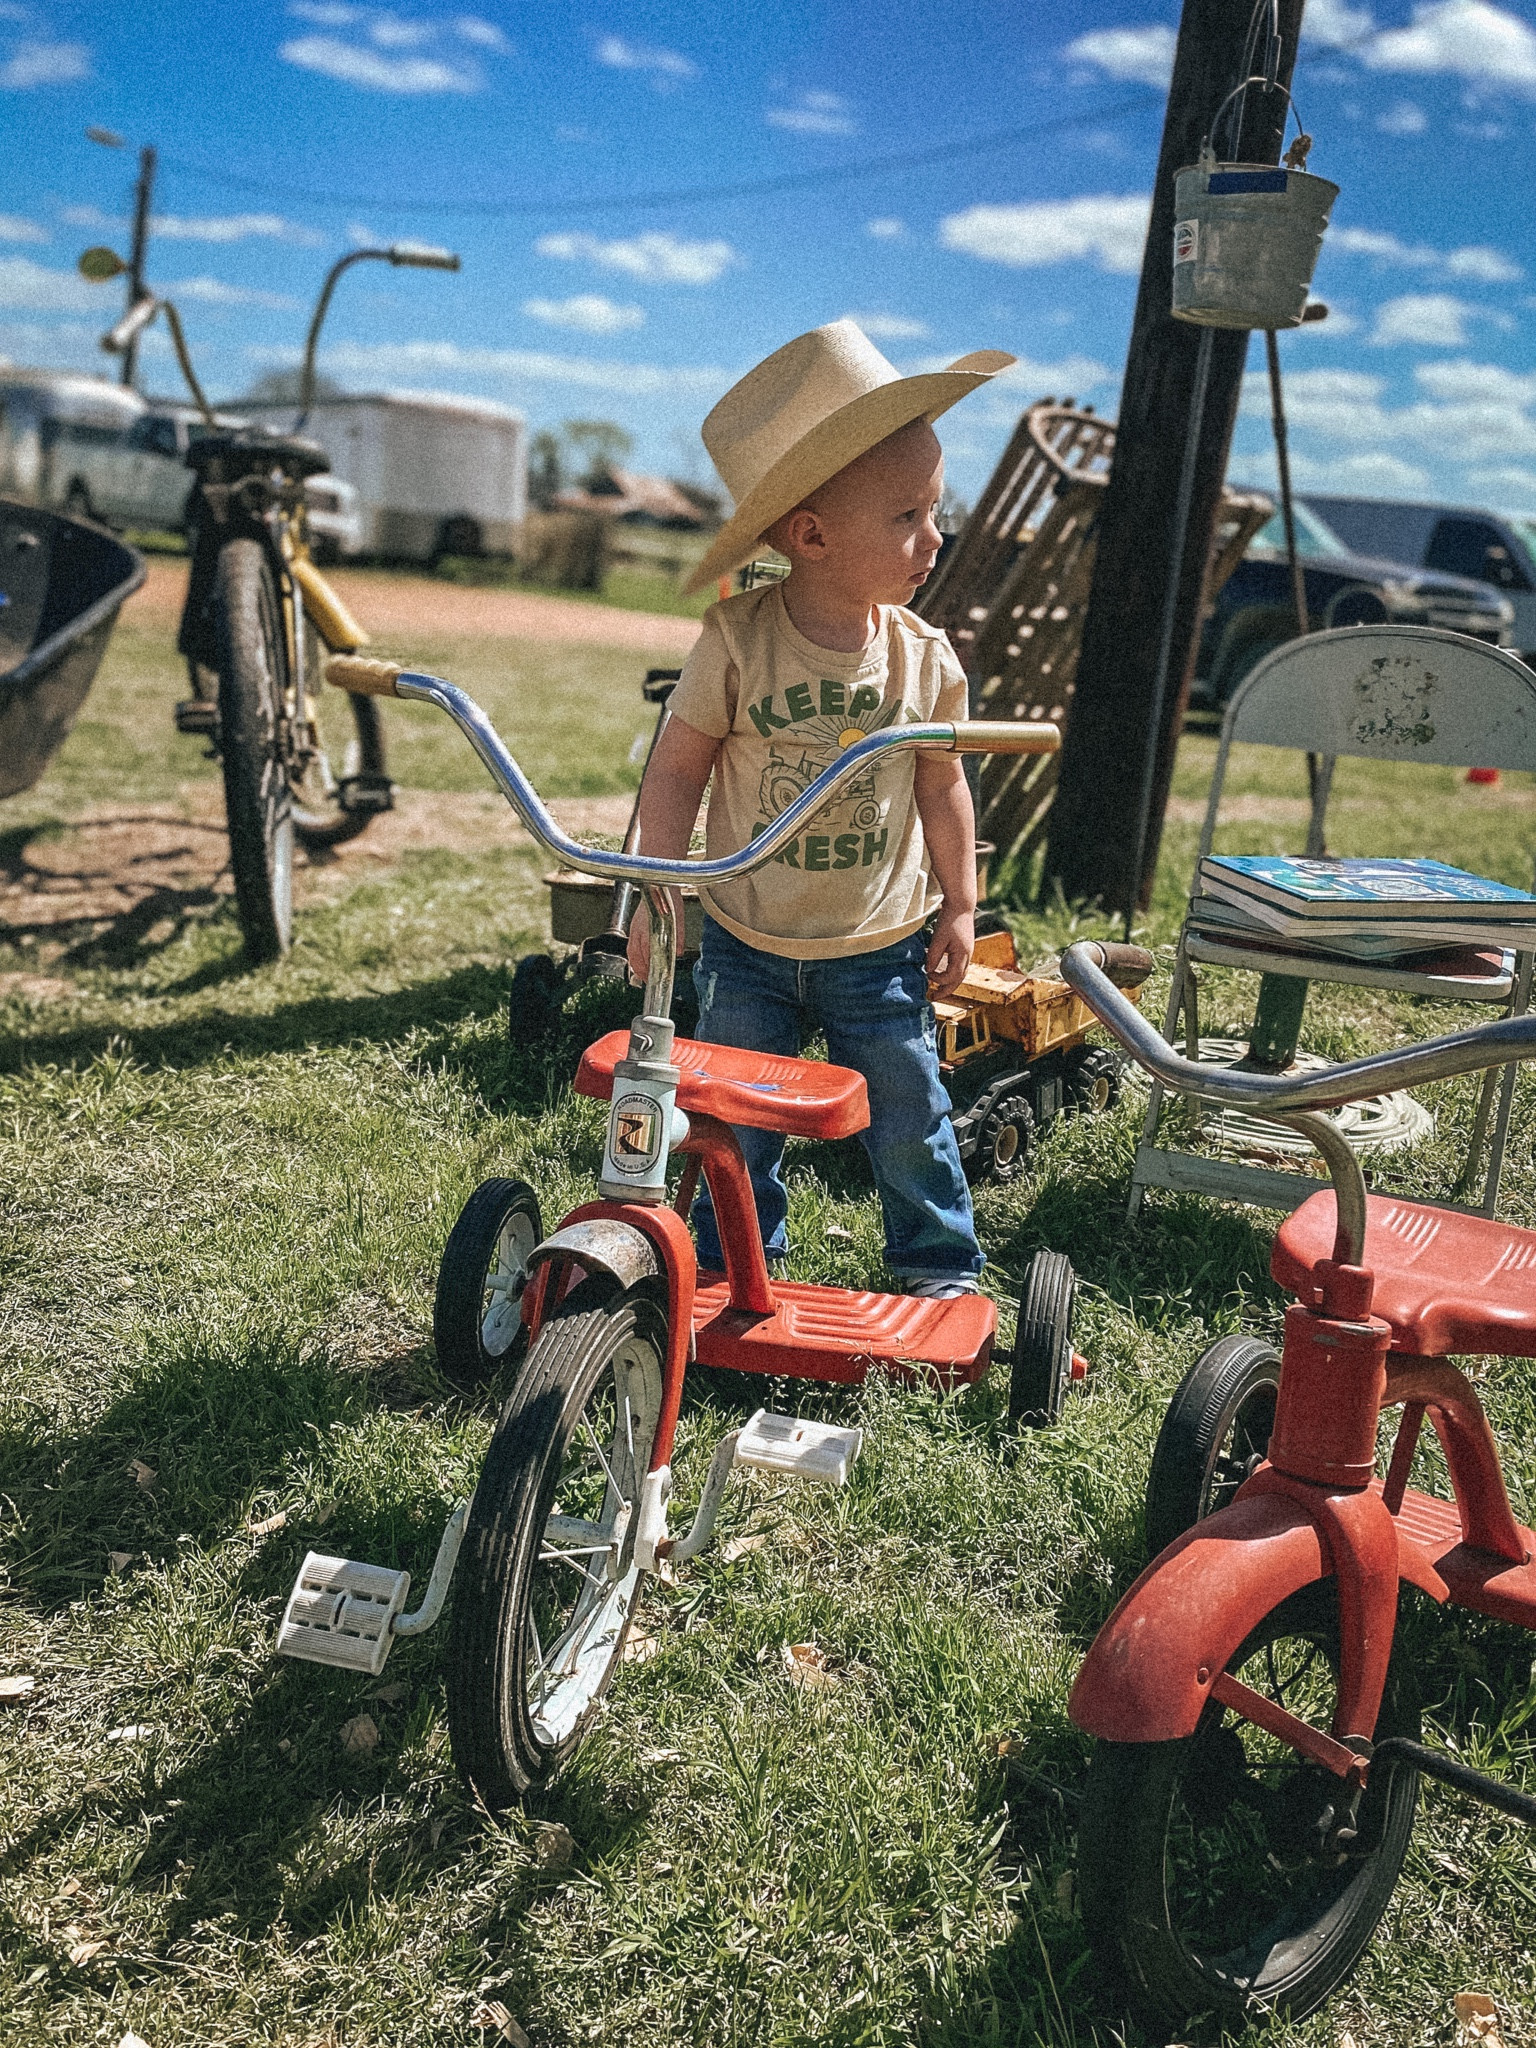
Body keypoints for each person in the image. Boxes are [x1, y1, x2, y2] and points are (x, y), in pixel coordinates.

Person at [625, 320, 1015, 1299]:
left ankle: (937, 1269)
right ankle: (732, 1264)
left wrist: (961, 903)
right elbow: (675, 770)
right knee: (733, 1117)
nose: (935, 536)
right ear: (810, 535)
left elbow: (942, 783)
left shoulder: (922, 660)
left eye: (936, 509)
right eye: (909, 515)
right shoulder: (736, 640)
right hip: (746, 940)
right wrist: (655, 896)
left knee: (909, 1112)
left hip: (876, 946)